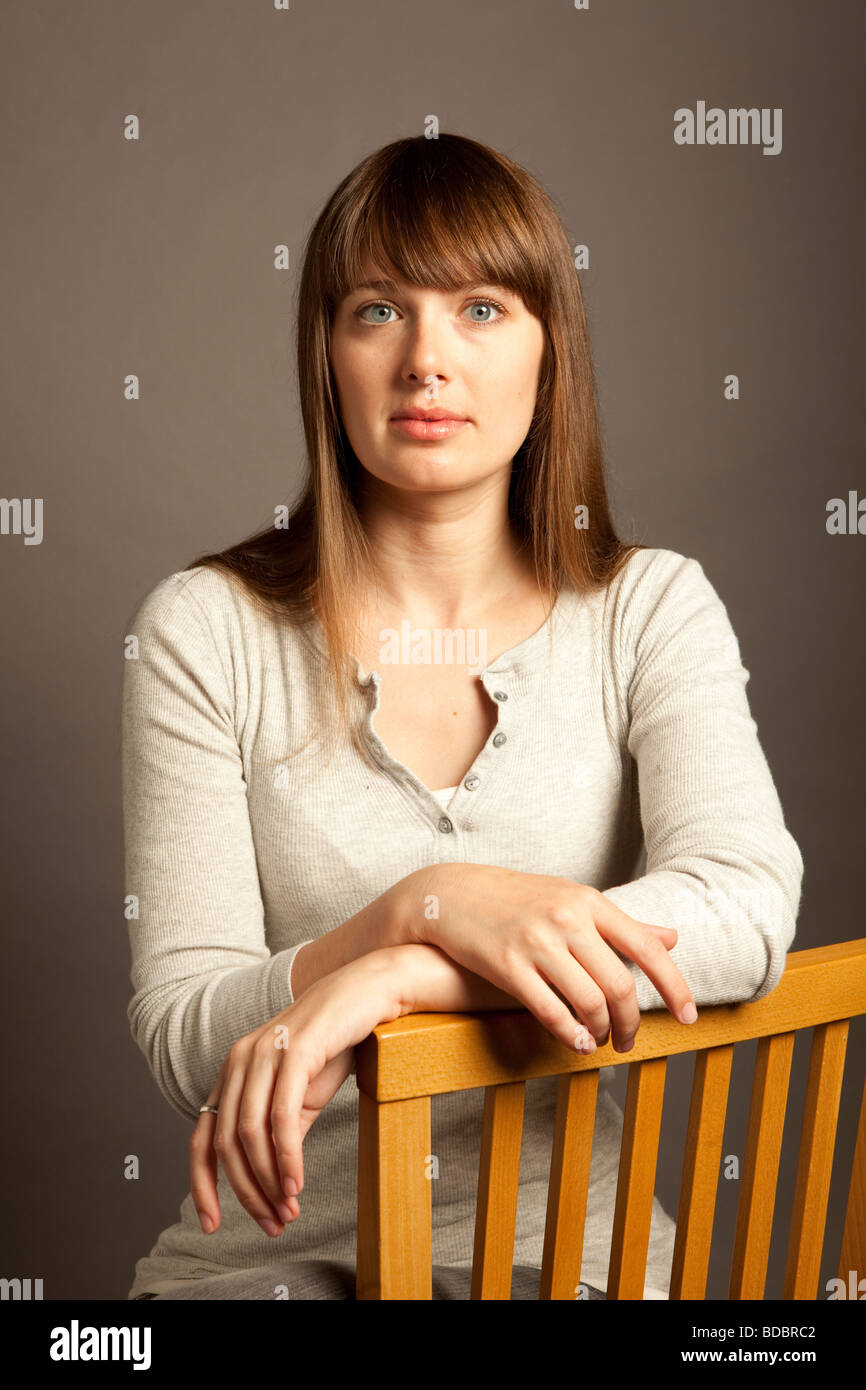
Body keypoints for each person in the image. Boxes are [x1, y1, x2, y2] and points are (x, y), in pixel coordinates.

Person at [122, 132, 804, 1301]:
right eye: (377, 310)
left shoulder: (649, 606)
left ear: (550, 352)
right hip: (275, 1268)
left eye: (481, 308)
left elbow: (743, 904)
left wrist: (396, 976)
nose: (425, 359)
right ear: (326, 356)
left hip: (574, 1269)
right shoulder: (205, 627)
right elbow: (189, 1037)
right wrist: (422, 908)